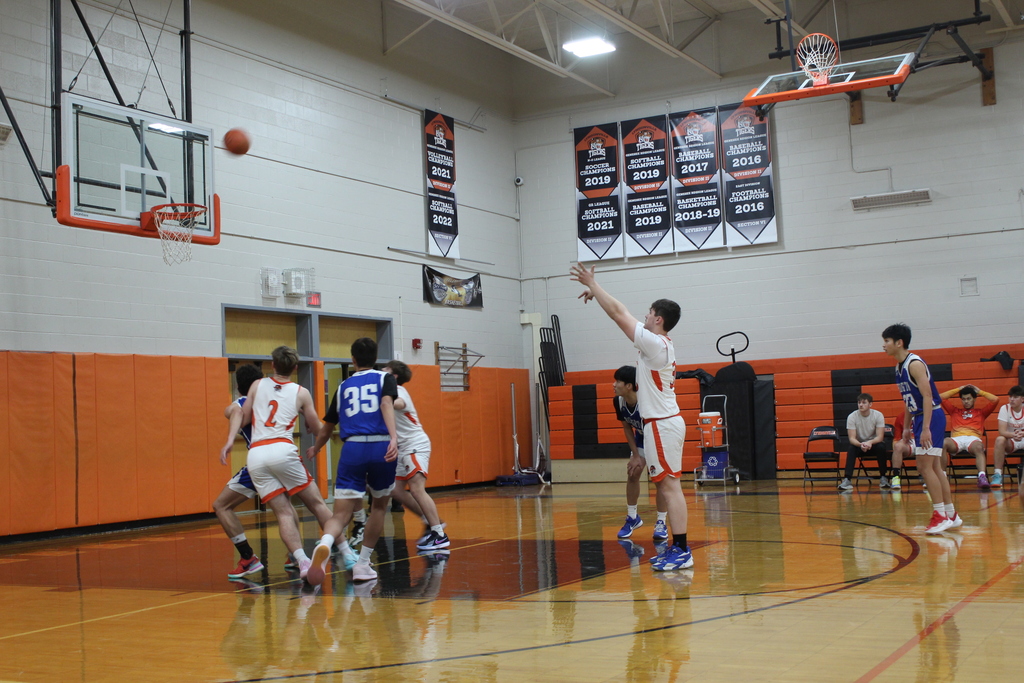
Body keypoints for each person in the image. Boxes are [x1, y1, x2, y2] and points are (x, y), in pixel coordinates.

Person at [570, 262, 693, 571]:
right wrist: (598, 295)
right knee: (667, 486)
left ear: (659, 319)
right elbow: (620, 311)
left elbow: (618, 314)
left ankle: (681, 549)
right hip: (660, 424)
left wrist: (595, 286)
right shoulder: (656, 344)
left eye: (649, 313)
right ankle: (676, 548)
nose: (645, 316)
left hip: (662, 424)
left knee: (670, 487)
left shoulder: (654, 343)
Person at [240, 346, 349, 580]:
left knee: (283, 513)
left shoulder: (256, 385)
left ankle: (301, 561)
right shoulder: (301, 392)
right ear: (296, 368)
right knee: (317, 504)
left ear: (272, 365)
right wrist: (316, 446)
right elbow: (318, 428)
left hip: (256, 454)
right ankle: (347, 554)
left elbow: (245, 417)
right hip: (282, 449)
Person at [305, 337, 399, 586]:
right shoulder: (384, 378)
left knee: (340, 513)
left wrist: (315, 448)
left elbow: (327, 427)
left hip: (353, 448)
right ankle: (363, 565)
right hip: (381, 445)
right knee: (378, 507)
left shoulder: (344, 386)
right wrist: (393, 437)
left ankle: (325, 544)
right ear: (376, 358)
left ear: (353, 359)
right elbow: (387, 403)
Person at [882, 323, 961, 534]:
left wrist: (925, 428)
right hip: (920, 417)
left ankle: (940, 515)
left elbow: (927, 396)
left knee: (924, 467)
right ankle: (951, 513)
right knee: (935, 468)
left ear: (899, 343)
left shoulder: (914, 364)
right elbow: (909, 400)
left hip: (931, 415)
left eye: (887, 341)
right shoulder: (898, 368)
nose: (884, 346)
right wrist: (907, 426)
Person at [214, 363, 291, 580]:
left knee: (221, 505)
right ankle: (298, 555)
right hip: (284, 457)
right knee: (287, 508)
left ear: (238, 386)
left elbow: (237, 410)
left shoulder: (240, 403)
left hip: (259, 462)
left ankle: (248, 557)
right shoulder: (275, 398)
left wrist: (230, 439)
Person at [383, 360, 450, 552]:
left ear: (394, 376)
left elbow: (398, 403)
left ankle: (439, 534)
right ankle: (430, 521)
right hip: (401, 447)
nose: (381, 371)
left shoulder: (398, 391)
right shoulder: (385, 393)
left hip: (414, 444)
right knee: (395, 490)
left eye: (385, 369)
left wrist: (384, 401)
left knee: (416, 488)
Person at [611, 365, 668, 542]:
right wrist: (635, 455)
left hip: (660, 437)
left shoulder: (647, 401)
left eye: (618, 381)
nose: (614, 384)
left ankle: (661, 522)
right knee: (633, 473)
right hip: (643, 437)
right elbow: (627, 427)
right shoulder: (618, 401)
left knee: (659, 480)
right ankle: (633, 517)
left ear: (629, 385)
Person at [940, 384, 1000, 488]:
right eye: (963, 399)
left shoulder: (981, 413)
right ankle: (942, 476)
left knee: (979, 447)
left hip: (973, 439)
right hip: (956, 440)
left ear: (974, 399)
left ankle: (982, 476)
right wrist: (958, 388)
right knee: (943, 442)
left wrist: (980, 391)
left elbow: (995, 400)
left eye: (969, 399)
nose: (966, 401)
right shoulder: (954, 411)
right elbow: (940, 397)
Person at [839, 393, 886, 491]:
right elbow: (852, 438)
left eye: (864, 402)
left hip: (873, 444)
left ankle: (883, 477)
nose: (861, 405)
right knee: (851, 448)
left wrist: (870, 443)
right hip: (859, 445)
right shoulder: (852, 416)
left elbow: (880, 437)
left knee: (881, 447)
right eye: (859, 402)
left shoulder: (878, 415)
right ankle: (847, 479)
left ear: (870, 404)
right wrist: (861, 445)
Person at [993, 385, 1024, 489]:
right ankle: (997, 475)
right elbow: (1001, 431)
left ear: (1022, 399)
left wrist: (1022, 434)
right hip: (1011, 440)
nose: (1012, 399)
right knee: (999, 439)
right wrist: (1013, 435)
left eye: (1015, 397)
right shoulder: (1004, 408)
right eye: (1010, 396)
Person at [889, 411, 913, 491]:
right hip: (908, 443)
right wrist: (896, 452)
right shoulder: (901, 416)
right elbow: (896, 439)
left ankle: (928, 477)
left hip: (924, 441)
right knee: (898, 446)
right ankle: (896, 477)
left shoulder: (926, 413)